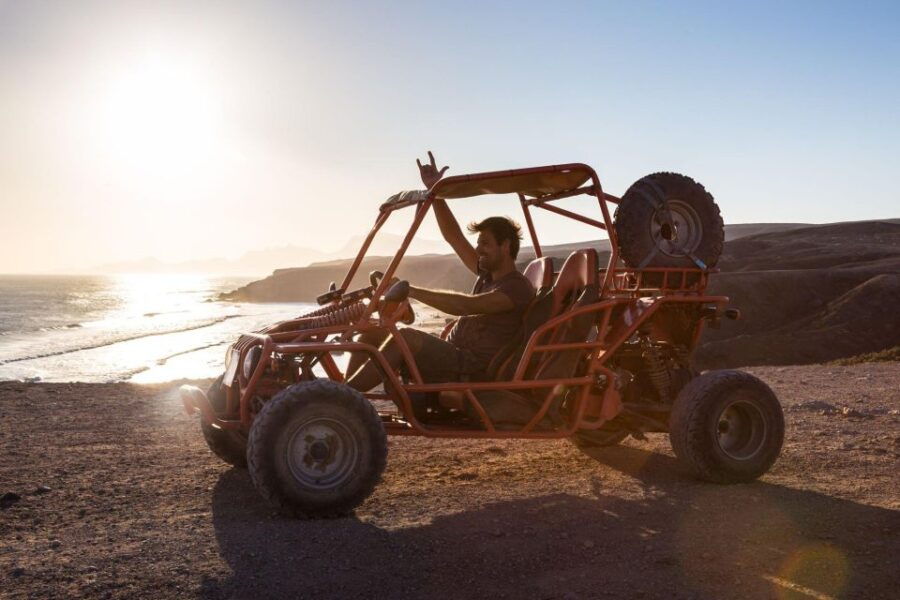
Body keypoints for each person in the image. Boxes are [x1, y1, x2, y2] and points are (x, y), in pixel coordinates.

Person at [345, 152, 535, 392]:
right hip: (454, 356)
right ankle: (345, 395)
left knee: (408, 338)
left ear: (505, 246)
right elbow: (454, 237)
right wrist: (435, 193)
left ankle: (340, 397)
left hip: (472, 368)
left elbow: (466, 306)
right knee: (372, 335)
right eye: (478, 243)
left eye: (485, 243)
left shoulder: (517, 287)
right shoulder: (487, 275)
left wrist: (410, 291)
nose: (478, 249)